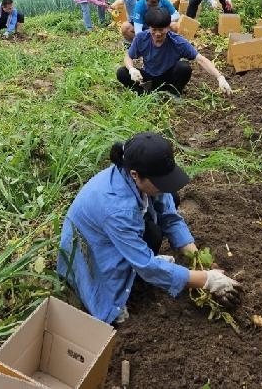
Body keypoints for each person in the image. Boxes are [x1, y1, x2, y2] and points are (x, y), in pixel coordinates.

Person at [58, 132, 242, 325]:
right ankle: (117, 287)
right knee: (148, 246)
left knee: (166, 209)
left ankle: (138, 266)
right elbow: (145, 265)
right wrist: (206, 280)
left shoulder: (140, 176)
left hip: (113, 232)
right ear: (135, 175)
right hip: (90, 253)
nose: (164, 187)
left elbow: (170, 218)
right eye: (160, 182)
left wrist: (198, 261)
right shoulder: (118, 209)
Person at [117, 7, 232, 99]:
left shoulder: (177, 41)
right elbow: (128, 56)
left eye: (161, 30)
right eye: (154, 30)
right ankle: (145, 93)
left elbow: (201, 59)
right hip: (148, 76)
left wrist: (220, 77)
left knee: (184, 67)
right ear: (149, 28)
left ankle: (174, 92)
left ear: (168, 28)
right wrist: (132, 69)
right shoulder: (141, 38)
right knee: (122, 72)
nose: (157, 34)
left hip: (169, 77)